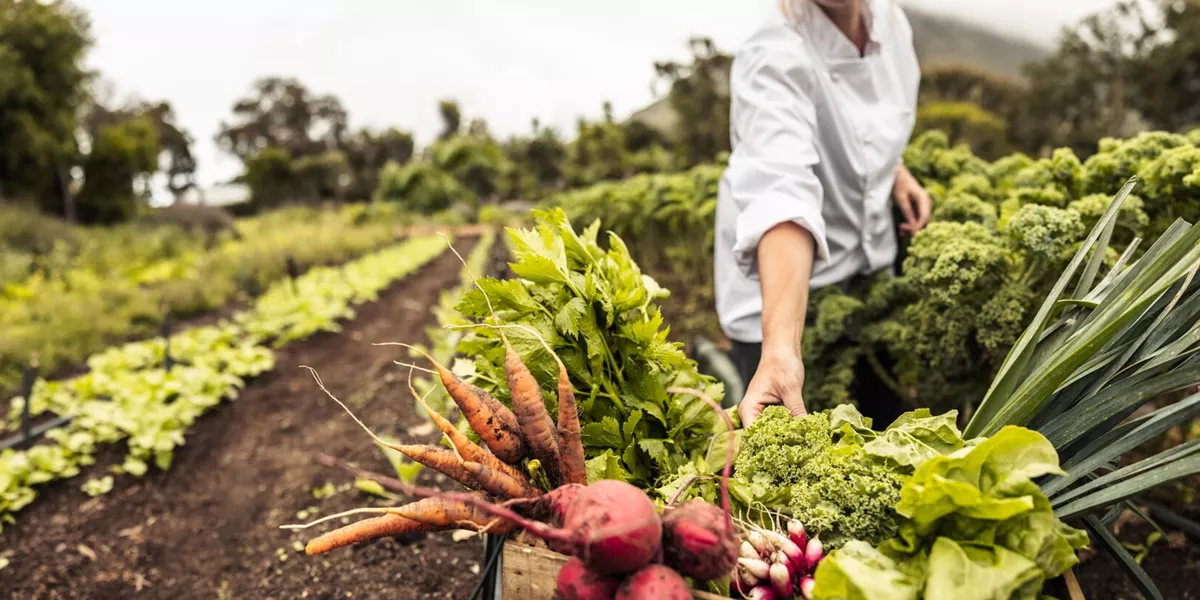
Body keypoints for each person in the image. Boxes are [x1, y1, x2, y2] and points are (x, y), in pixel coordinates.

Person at [714, 0, 931, 427]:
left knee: (884, 420)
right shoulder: (772, 53)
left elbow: (867, 121)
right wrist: (779, 350)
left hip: (865, 271)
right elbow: (782, 191)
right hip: (781, 293)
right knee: (799, 458)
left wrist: (894, 170)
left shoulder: (889, 21)